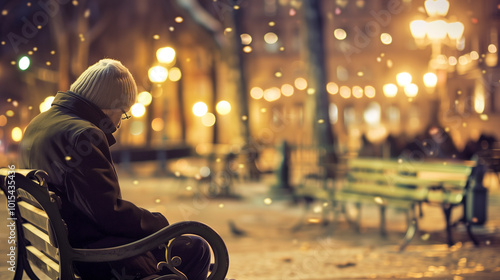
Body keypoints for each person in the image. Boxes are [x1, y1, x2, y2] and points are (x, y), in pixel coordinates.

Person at [19, 58, 210, 280]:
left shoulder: (39, 124)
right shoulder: (83, 135)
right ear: (110, 106)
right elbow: (108, 214)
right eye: (124, 112)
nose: (120, 122)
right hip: (94, 255)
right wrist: (158, 223)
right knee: (196, 246)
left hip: (61, 246)